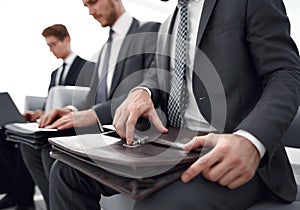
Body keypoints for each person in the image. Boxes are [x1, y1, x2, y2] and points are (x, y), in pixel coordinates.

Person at [50, 0, 300, 209]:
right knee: (65, 171)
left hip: (230, 149)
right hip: (172, 144)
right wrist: (142, 90)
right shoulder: (170, 22)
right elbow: (160, 75)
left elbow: (285, 72)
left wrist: (250, 139)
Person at [22, 0, 160, 209]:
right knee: (31, 143)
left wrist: (96, 114)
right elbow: (92, 99)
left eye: (93, 2)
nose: (90, 11)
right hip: (98, 126)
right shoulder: (104, 50)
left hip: (126, 129)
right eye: (86, 6)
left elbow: (151, 85)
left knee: (50, 148)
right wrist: (70, 110)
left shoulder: (149, 31)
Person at [19, 24, 95, 210]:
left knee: (46, 147)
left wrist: (69, 110)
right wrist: (39, 113)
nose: (51, 50)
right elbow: (49, 105)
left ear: (66, 40)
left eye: (53, 44)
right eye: (48, 45)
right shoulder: (55, 74)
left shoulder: (88, 67)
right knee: (23, 143)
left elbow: (89, 100)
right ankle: (45, 202)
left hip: (75, 122)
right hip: (51, 123)